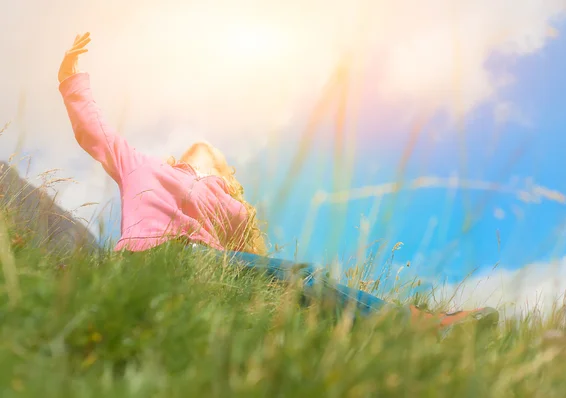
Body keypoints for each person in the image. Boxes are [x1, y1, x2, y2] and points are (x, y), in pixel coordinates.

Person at [57, 32, 499, 332]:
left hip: (205, 268)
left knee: (298, 289)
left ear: (227, 176)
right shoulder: (143, 166)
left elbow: (253, 259)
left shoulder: (233, 208)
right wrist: (70, 77)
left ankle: (397, 331)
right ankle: (420, 325)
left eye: (222, 160)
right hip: (150, 259)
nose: (209, 148)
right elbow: (94, 132)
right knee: (305, 278)